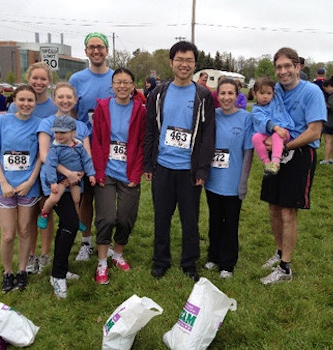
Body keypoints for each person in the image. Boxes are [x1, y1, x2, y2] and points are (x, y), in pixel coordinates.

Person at [143, 40, 215, 281]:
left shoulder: (203, 95)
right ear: (171, 62)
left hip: (189, 170)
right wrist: (148, 163)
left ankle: (189, 263)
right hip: (163, 166)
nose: (184, 65)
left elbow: (207, 135)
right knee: (161, 217)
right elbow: (150, 130)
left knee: (190, 219)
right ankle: (160, 260)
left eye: (189, 60)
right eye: (180, 60)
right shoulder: (158, 93)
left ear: (195, 64)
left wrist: (202, 169)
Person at [259, 47, 326, 285]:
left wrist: (285, 147)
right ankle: (279, 252)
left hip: (299, 154)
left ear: (298, 66)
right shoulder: (274, 91)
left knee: (288, 211)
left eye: (288, 66)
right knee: (274, 207)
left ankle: (285, 268)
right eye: (279, 67)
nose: (283, 71)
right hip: (276, 152)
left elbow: (315, 131)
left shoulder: (311, 92)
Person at [0, 85, 42, 293]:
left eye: (30, 100)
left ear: (35, 102)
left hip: (28, 187)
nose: (26, 104)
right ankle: (7, 271)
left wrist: (30, 181)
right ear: (14, 100)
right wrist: (3, 182)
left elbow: (40, 158)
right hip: (3, 186)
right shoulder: (1, 122)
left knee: (25, 230)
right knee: (8, 234)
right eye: (22, 100)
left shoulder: (40, 125)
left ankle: (22, 270)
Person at [37, 83, 92, 298]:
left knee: (68, 226)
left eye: (69, 96)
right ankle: (57, 275)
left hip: (75, 182)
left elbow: (85, 153)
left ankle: (61, 267)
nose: (65, 100)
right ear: (54, 98)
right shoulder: (46, 123)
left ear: (75, 100)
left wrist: (77, 175)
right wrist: (67, 174)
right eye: (61, 96)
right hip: (56, 183)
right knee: (69, 224)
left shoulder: (81, 126)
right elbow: (44, 155)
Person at [92, 68, 146, 285]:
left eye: (127, 82)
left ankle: (118, 254)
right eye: (118, 82)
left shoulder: (141, 110)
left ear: (133, 86)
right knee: (106, 218)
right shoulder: (102, 107)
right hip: (106, 171)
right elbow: (96, 141)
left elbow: (143, 143)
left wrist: (136, 172)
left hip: (129, 172)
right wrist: (98, 171)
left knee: (125, 218)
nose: (122, 86)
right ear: (112, 85)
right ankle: (102, 261)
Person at [9, 62, 58, 275]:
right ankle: (29, 255)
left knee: (45, 212)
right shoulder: (16, 105)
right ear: (28, 79)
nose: (39, 82)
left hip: (46, 168)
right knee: (26, 217)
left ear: (49, 82)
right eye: (35, 78)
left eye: (43, 79)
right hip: (24, 170)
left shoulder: (54, 107)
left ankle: (45, 255)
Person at [69, 31, 114, 262]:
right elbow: (72, 113)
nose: (96, 51)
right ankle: (86, 243)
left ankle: (108, 242)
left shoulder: (117, 78)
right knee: (85, 198)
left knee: (109, 198)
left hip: (112, 150)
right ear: (86, 51)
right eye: (91, 47)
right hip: (84, 149)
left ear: (107, 50)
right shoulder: (76, 80)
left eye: (100, 46)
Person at [203, 78, 253, 279]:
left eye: (230, 93)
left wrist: (243, 182)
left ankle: (228, 263)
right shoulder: (211, 116)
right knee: (214, 220)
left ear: (237, 95)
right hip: (213, 181)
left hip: (233, 182)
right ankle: (213, 256)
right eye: (222, 93)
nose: (226, 97)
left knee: (230, 223)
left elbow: (248, 153)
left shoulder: (246, 118)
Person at [38, 116, 96, 231]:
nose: (59, 135)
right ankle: (44, 213)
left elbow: (87, 160)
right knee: (54, 198)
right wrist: (53, 182)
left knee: (76, 199)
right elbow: (50, 165)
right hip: (59, 178)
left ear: (73, 133)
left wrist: (91, 174)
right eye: (56, 132)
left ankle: (78, 220)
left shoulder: (78, 146)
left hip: (75, 178)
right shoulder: (55, 148)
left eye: (63, 132)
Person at [251, 76, 294, 175]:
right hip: (270, 131)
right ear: (254, 94)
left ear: (273, 93)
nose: (265, 96)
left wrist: (278, 129)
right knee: (256, 138)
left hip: (283, 131)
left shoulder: (276, 98)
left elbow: (280, 83)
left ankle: (275, 162)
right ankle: (266, 163)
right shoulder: (256, 110)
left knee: (276, 135)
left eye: (269, 93)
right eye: (261, 93)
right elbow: (265, 121)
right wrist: (275, 128)